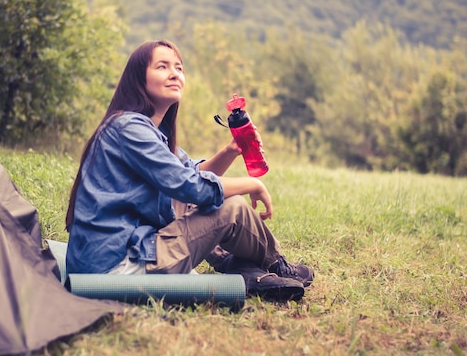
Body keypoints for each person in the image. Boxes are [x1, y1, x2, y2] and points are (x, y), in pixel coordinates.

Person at [64, 39, 313, 301]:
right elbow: (190, 186)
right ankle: (274, 264)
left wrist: (231, 151)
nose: (174, 73)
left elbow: (192, 171)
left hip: (130, 249)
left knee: (208, 201)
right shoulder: (129, 128)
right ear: (139, 78)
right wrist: (253, 184)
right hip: (116, 269)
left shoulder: (149, 130)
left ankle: (242, 268)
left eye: (179, 68)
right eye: (162, 66)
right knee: (232, 207)